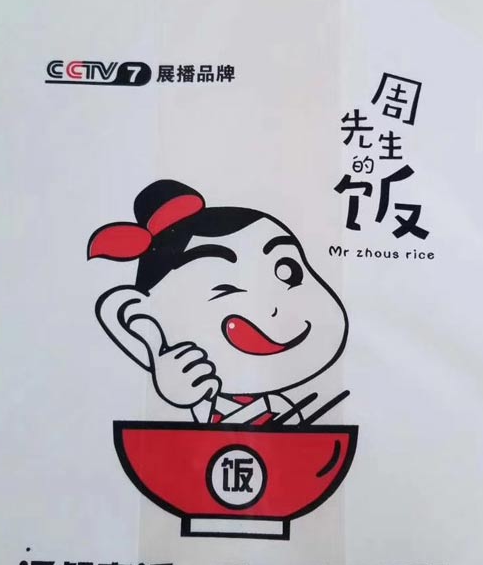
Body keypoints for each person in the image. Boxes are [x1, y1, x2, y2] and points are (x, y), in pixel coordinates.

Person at [88, 179, 348, 424]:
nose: (273, 308)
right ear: (134, 319)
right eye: (225, 289)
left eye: (288, 272)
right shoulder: (199, 405)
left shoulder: (284, 407)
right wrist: (165, 372)